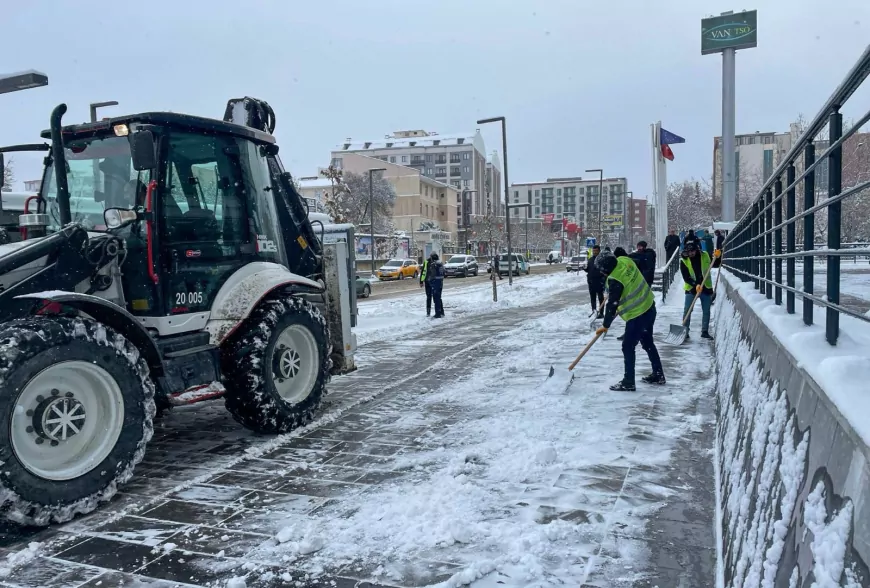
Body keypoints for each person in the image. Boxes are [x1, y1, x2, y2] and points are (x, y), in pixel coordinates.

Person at [594, 252, 666, 391]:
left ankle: (628, 381)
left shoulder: (615, 279)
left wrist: (605, 325)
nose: (602, 274)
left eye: (602, 271)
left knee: (627, 346)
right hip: (649, 306)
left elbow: (612, 304)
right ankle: (658, 374)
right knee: (647, 343)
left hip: (638, 314)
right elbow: (637, 265)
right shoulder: (624, 260)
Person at [680, 242, 718, 340]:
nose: (691, 253)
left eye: (692, 251)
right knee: (687, 310)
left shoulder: (705, 255)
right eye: (689, 252)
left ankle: (704, 331)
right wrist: (695, 284)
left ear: (696, 249)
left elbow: (715, 264)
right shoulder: (684, 260)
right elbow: (686, 277)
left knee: (706, 310)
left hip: (706, 287)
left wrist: (717, 257)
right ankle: (685, 331)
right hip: (691, 289)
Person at [582, 245, 605, 317]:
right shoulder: (590, 259)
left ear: (599, 251)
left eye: (596, 251)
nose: (594, 252)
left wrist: (603, 279)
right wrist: (584, 268)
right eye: (593, 251)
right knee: (593, 297)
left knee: (601, 297)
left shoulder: (602, 260)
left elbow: (605, 270)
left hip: (599, 281)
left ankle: (601, 313)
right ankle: (594, 311)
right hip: (591, 281)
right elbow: (588, 270)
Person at [428, 253, 445, 318]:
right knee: (439, 298)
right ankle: (441, 312)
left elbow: (432, 274)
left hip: (435, 283)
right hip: (440, 282)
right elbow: (444, 272)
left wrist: (430, 280)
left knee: (436, 298)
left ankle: (437, 313)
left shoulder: (434, 265)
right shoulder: (441, 263)